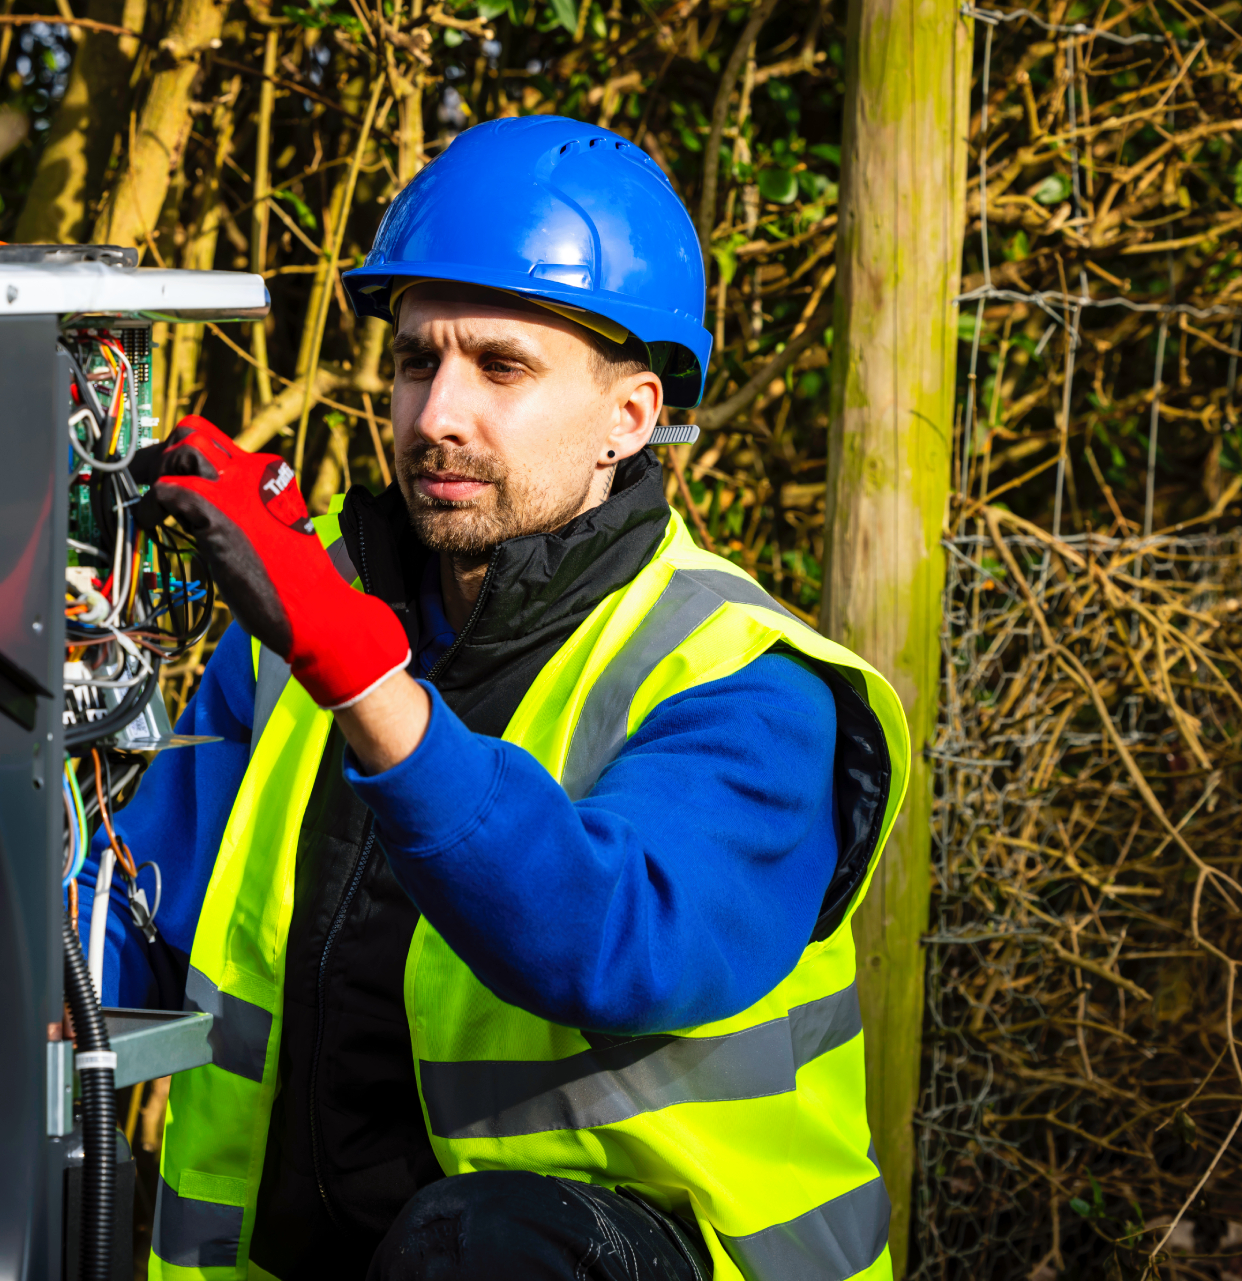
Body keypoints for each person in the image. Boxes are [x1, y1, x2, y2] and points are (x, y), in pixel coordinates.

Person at [78, 114, 911, 1281]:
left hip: (620, 1263)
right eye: (419, 360)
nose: (437, 415)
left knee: (483, 1249)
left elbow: (611, 943)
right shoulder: (291, 639)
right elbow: (134, 915)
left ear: (631, 416)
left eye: (501, 367)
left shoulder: (747, 683)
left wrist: (359, 675)